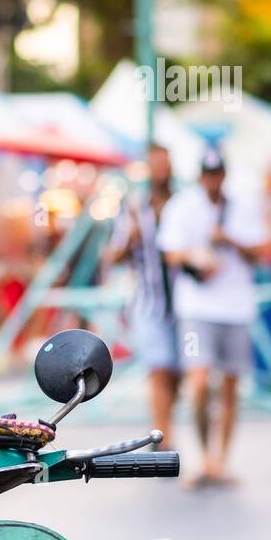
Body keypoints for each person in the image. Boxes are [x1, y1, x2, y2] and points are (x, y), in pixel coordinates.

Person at [157, 148, 267, 486]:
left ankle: (220, 461)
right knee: (200, 382)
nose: (212, 180)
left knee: (231, 385)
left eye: (217, 173)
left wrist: (228, 240)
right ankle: (204, 457)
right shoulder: (184, 206)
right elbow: (170, 252)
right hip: (197, 308)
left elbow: (261, 251)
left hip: (236, 307)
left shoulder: (243, 206)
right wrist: (197, 262)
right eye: (208, 174)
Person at [104, 142, 179, 447]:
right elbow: (112, 255)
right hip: (149, 303)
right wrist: (130, 239)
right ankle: (163, 434)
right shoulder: (135, 207)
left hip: (184, 303)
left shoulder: (182, 203)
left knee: (178, 372)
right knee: (159, 367)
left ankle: (165, 425)